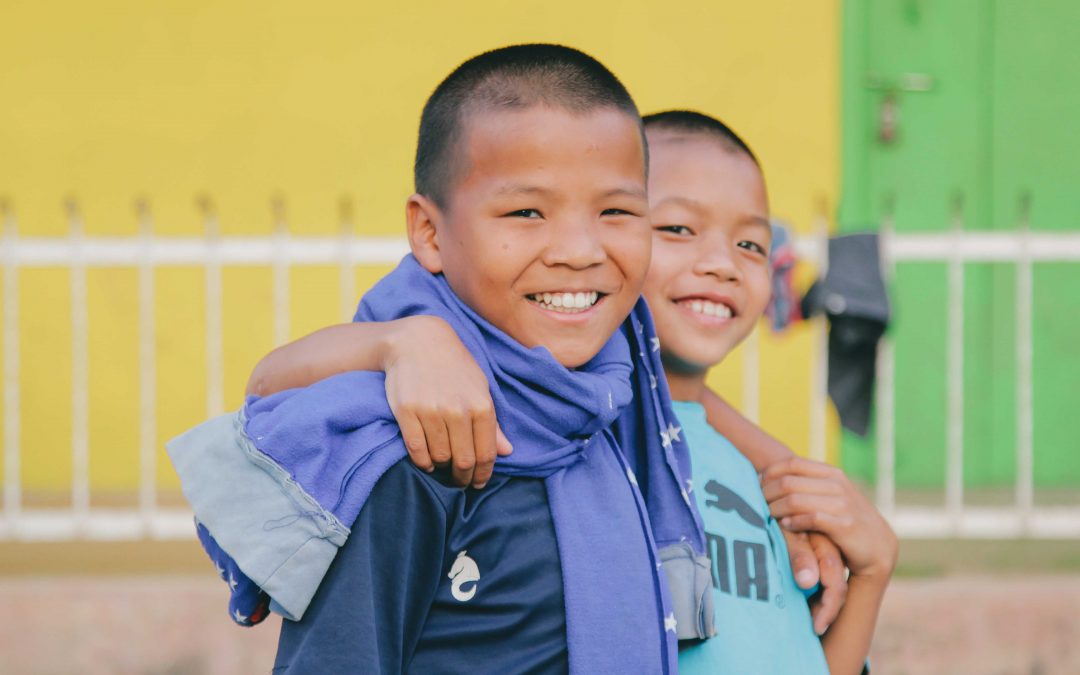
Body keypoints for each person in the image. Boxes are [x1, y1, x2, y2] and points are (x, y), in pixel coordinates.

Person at [239, 110, 898, 673]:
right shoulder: (566, 426)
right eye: (676, 228)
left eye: (751, 242)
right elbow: (273, 384)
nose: (722, 263)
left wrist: (871, 572)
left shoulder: (755, 476)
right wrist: (403, 341)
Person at [167, 44, 709, 674]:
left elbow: (699, 402)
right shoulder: (411, 453)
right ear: (429, 232)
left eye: (616, 211)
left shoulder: (615, 392)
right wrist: (400, 342)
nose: (579, 250)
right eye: (526, 212)